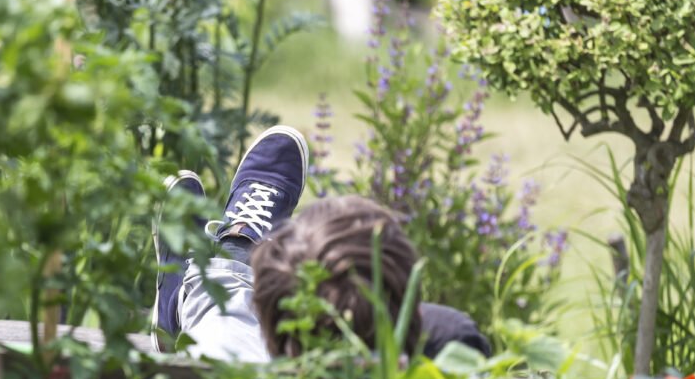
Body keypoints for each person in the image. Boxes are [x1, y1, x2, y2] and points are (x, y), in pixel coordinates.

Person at [152, 125, 490, 362]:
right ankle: (228, 270)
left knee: (226, 325)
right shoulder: (453, 339)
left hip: (239, 377)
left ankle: (215, 276)